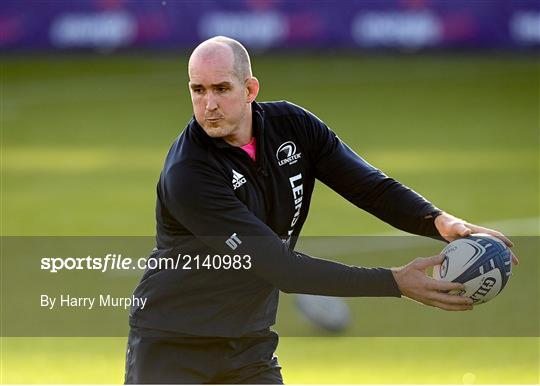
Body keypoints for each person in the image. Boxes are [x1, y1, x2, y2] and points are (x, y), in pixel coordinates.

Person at [124, 36, 517, 384]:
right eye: (198, 90)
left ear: (250, 89)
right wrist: (394, 282)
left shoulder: (293, 126)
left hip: (248, 344)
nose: (208, 104)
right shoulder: (189, 174)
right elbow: (279, 267)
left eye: (222, 88)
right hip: (173, 345)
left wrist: (442, 223)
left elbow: (370, 187)